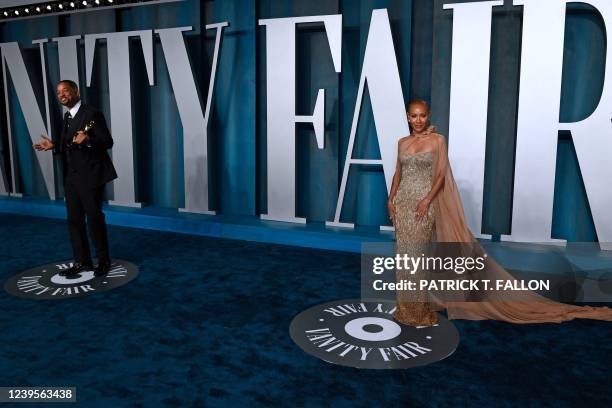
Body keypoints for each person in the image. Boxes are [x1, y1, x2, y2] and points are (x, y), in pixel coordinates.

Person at [387, 99, 612, 326]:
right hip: (403, 204)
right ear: (407, 117)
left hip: (423, 207)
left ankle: (419, 312)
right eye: (414, 116)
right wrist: (390, 199)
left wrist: (427, 200)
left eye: (422, 116)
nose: (418, 120)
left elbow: (441, 175)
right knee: (404, 256)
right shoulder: (402, 143)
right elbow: (398, 174)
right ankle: (406, 307)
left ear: (428, 116)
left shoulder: (437, 140)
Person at [33, 80, 117, 277]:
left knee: (94, 219)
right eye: (59, 92)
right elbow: (69, 144)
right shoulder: (67, 117)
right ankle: (82, 262)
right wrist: (54, 145)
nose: (61, 94)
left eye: (65, 90)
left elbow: (107, 142)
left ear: (76, 91)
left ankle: (103, 261)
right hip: (71, 177)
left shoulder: (92, 114)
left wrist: (88, 140)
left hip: (91, 176)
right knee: (74, 221)